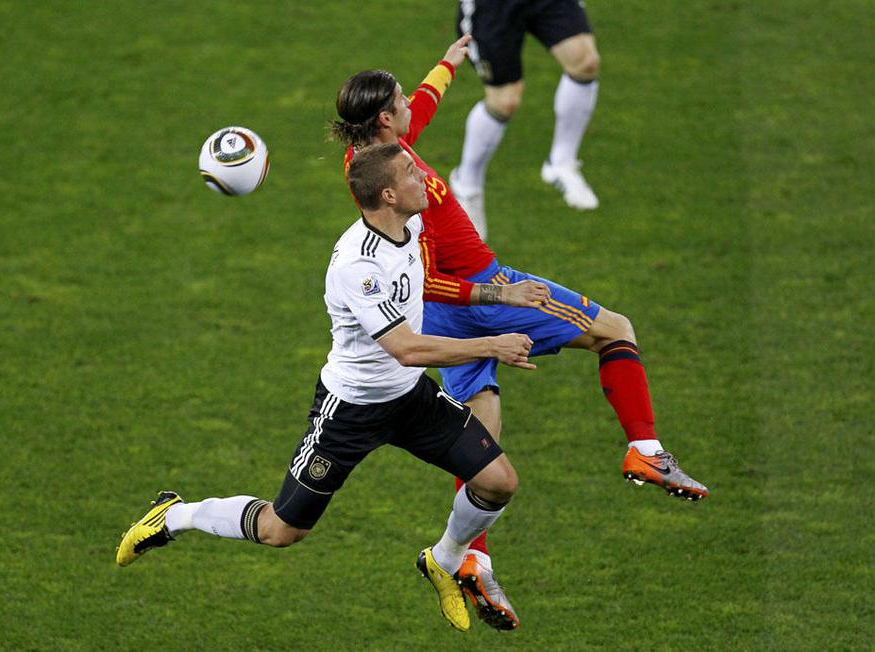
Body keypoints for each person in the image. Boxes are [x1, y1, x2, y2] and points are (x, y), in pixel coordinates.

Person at [332, 36, 708, 631]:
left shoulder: (378, 156)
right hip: (482, 294)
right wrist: (499, 294)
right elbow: (428, 279)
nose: (409, 104)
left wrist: (449, 63)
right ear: (383, 118)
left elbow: (420, 108)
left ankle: (470, 559)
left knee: (480, 442)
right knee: (614, 330)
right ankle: (644, 448)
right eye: (398, 98)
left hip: (445, 319)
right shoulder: (395, 188)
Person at [116, 143, 538, 634]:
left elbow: (428, 283)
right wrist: (491, 344)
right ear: (388, 195)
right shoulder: (357, 266)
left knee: (498, 482)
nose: (424, 178)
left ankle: (443, 560)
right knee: (281, 530)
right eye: (410, 172)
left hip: (410, 398)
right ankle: (174, 516)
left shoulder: (413, 224)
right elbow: (405, 348)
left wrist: (499, 293)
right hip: (351, 411)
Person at [450, 0, 602, 238]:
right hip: (492, 8)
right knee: (504, 101)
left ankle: (561, 163)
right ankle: (466, 184)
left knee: (585, 62)